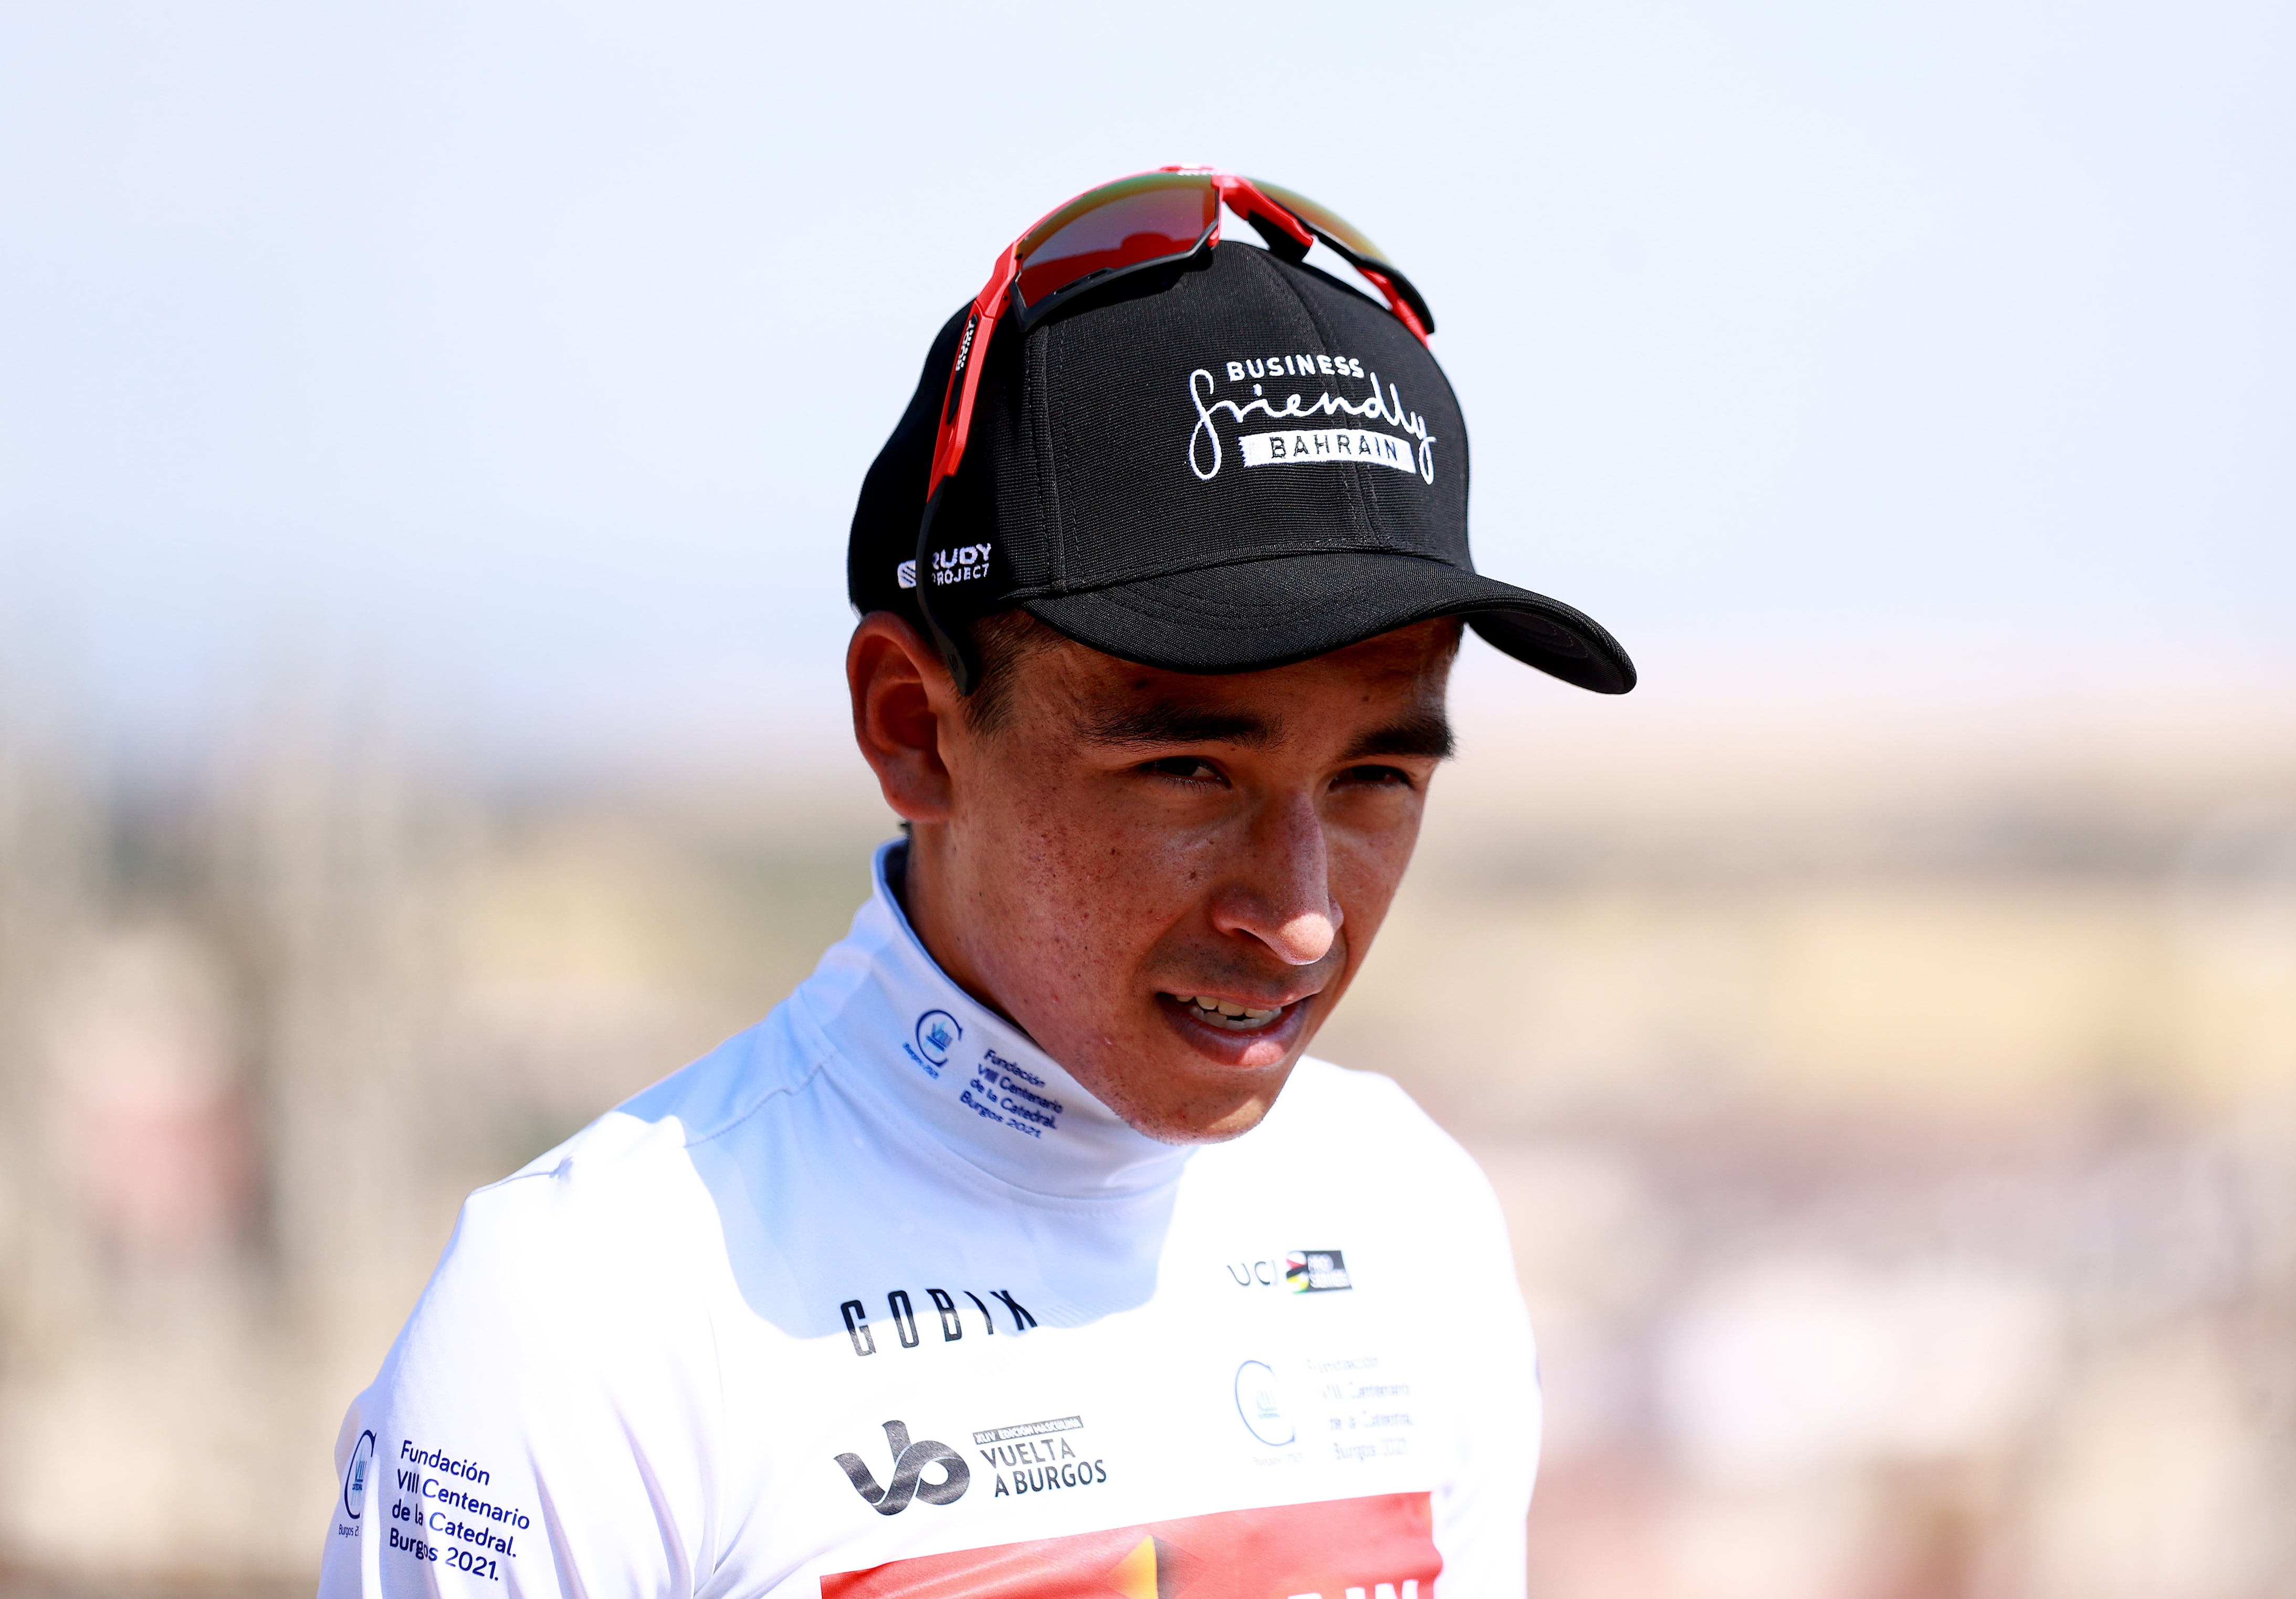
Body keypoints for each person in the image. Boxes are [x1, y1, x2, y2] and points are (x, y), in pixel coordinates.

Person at [315, 168, 1634, 1599]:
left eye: (1378, 778)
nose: (1301, 911)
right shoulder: (587, 1316)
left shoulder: (1404, 1218)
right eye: (1190, 768)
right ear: (912, 727)